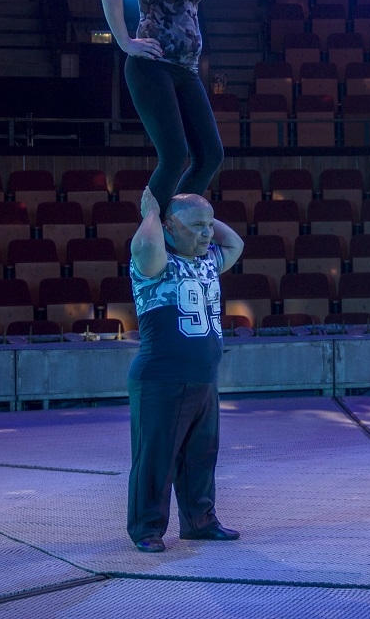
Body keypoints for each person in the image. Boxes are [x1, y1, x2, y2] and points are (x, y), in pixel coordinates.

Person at [100, 0, 222, 217]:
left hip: (186, 68)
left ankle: (175, 227)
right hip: (153, 66)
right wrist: (125, 42)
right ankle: (149, 235)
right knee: (174, 155)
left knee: (210, 155)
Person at [127, 187, 244, 552]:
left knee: (201, 457)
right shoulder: (156, 263)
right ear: (169, 228)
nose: (207, 234)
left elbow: (236, 243)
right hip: (161, 377)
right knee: (155, 459)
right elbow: (144, 244)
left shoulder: (209, 259)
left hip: (204, 379)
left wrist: (200, 217)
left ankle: (200, 522)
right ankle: (146, 529)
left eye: (209, 225)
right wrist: (153, 212)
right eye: (196, 227)